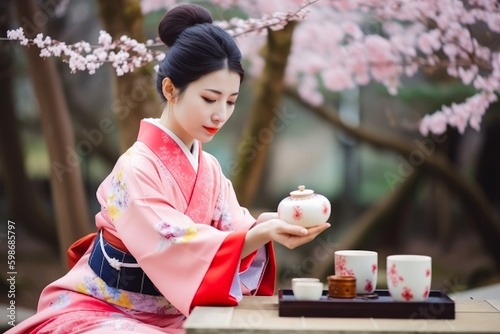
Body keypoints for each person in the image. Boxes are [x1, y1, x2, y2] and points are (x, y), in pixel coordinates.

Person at [8, 4, 330, 334]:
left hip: (177, 311)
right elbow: (174, 241)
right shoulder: (136, 167)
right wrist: (259, 234)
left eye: (230, 101)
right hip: (106, 307)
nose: (221, 113)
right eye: (209, 98)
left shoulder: (211, 170)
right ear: (170, 89)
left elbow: (235, 231)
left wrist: (272, 225)